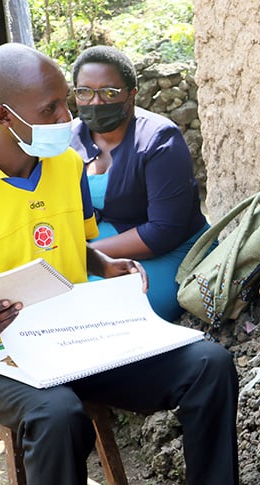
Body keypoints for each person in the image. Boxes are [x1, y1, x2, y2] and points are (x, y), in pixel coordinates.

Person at [0, 43, 260, 485]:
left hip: (76, 335)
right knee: (58, 414)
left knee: (208, 363)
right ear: (5, 116)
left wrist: (105, 265)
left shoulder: (63, 164)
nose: (69, 117)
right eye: (52, 108)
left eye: (66, 102)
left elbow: (70, 244)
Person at [70, 45, 209, 322]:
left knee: (99, 308)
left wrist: (81, 254)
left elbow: (163, 231)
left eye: (109, 93)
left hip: (170, 250)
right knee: (54, 294)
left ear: (132, 94)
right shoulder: (71, 138)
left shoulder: (159, 139)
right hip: (102, 242)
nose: (96, 102)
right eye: (85, 92)